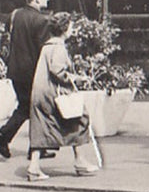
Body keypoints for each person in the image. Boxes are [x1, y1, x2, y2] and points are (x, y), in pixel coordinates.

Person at [25, 12, 101, 181]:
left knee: (41, 129)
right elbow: (57, 70)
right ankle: (80, 161)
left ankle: (34, 167)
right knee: (79, 119)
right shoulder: (59, 47)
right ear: (65, 29)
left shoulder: (47, 46)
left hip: (40, 93)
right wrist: (76, 78)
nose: (72, 29)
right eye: (71, 26)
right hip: (53, 93)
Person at [0, 0, 51, 159]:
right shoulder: (41, 20)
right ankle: (6, 136)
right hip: (32, 73)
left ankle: (33, 148)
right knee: (32, 109)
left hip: (16, 70)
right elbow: (43, 49)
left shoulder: (15, 15)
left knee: (28, 108)